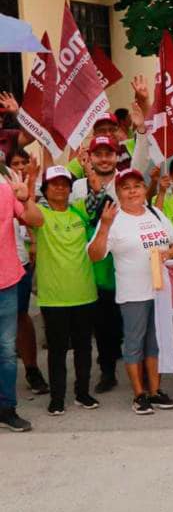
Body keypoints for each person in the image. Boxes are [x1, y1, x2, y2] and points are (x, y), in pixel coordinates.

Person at [87, 168, 173, 415]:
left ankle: (155, 391)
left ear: (144, 189)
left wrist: (169, 253)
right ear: (119, 192)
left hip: (159, 291)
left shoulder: (155, 213)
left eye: (137, 186)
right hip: (133, 294)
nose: (132, 191)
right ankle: (139, 394)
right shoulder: (114, 218)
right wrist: (105, 226)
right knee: (134, 345)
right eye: (126, 187)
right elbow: (95, 255)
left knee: (154, 344)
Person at [26, 166, 100, 416]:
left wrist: (92, 178)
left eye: (64, 183)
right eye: (54, 184)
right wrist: (29, 188)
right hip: (54, 297)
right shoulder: (42, 215)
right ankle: (57, 398)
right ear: (45, 189)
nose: (60, 187)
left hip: (84, 292)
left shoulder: (79, 211)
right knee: (57, 351)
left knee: (83, 348)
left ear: (71, 188)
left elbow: (100, 203)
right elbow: (28, 215)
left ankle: (82, 393)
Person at [73, 134, 124, 394]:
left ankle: (131, 360)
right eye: (99, 154)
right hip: (94, 264)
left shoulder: (126, 182)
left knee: (122, 319)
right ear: (90, 158)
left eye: (109, 154)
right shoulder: (77, 187)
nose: (104, 159)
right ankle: (107, 371)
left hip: (124, 263)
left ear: (117, 156)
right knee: (102, 322)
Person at [4, 148, 46, 395]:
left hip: (13, 265)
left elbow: (33, 219)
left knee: (19, 319)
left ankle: (31, 369)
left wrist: (24, 197)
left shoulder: (7, 176)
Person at [0, 163, 38, 431]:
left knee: (6, 353)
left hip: (7, 282)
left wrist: (26, 197)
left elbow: (36, 221)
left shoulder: (6, 188)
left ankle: (7, 408)